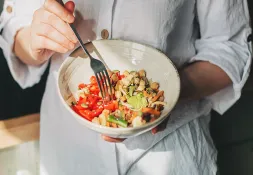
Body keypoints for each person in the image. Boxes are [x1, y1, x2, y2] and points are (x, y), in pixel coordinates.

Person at [0, 0, 252, 174]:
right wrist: (35, 40)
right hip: (69, 154)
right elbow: (17, 31)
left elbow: (230, 48)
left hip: (171, 155)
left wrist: (167, 93)